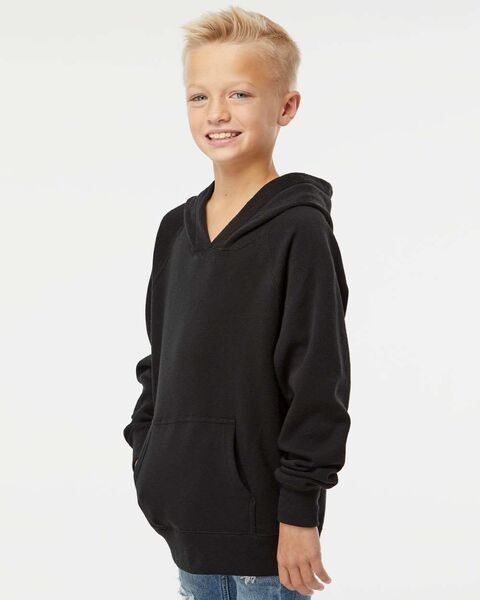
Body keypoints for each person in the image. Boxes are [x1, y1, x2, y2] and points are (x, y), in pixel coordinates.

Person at [123, 6, 351, 599]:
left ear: (286, 107)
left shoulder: (299, 229)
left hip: (265, 538)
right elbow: (161, 359)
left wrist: (299, 512)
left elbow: (318, 379)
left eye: (240, 93)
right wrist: (149, 453)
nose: (217, 113)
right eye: (199, 96)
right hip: (185, 523)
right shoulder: (175, 231)